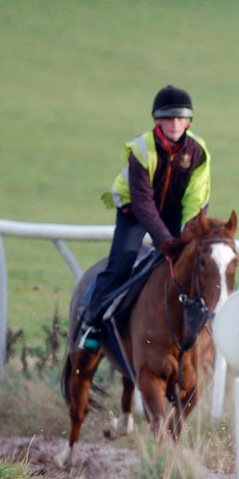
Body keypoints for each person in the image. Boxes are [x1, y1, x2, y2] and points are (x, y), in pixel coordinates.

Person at [79, 85, 211, 351]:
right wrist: (164, 240)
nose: (174, 124)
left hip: (173, 211)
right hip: (134, 211)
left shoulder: (198, 151)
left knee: (187, 264)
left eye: (180, 118)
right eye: (168, 118)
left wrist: (187, 234)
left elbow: (197, 199)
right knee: (121, 264)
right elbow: (142, 202)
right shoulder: (142, 149)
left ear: (188, 121)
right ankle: (91, 322)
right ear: (157, 121)